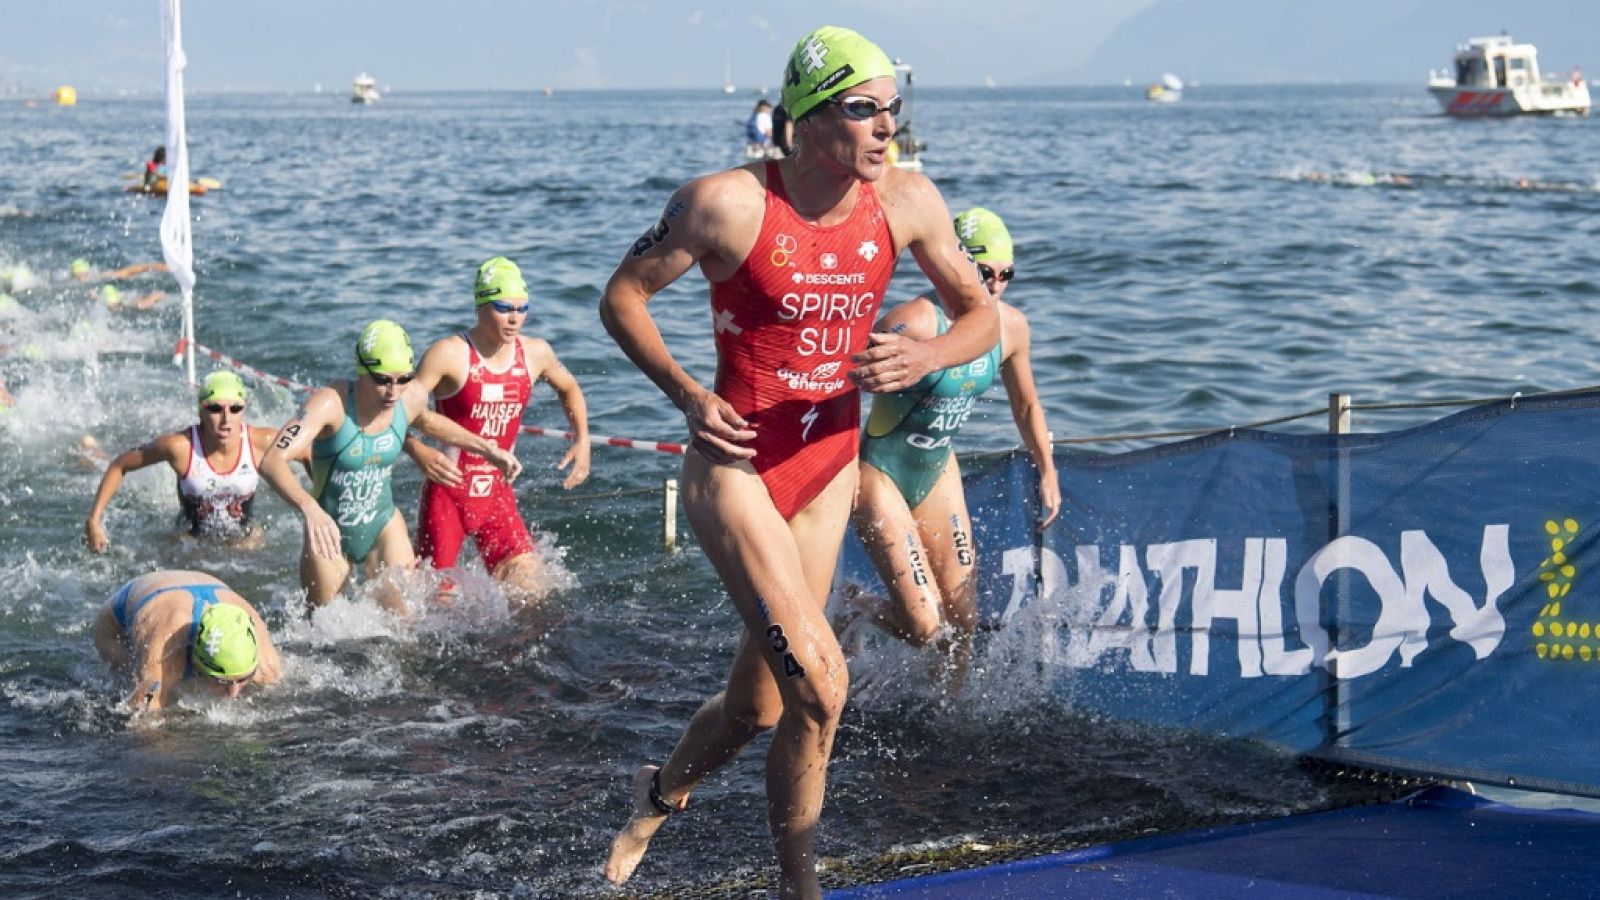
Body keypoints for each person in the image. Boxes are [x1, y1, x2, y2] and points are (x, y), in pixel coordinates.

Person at [599, 26, 998, 898]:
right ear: (807, 121)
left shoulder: (909, 202)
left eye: (894, 106)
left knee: (760, 709)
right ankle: (799, 887)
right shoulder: (725, 204)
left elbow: (982, 317)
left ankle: (655, 798)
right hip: (736, 467)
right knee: (824, 686)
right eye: (864, 109)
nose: (886, 126)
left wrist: (925, 359)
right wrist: (686, 396)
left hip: (827, 474)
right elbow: (622, 298)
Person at [842, 207, 1061, 684]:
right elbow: (844, 374)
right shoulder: (917, 320)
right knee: (924, 628)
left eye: (1008, 273)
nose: (998, 284)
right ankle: (854, 605)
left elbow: (1026, 406)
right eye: (986, 272)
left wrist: (1047, 470)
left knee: (962, 625)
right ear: (958, 263)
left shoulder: (1011, 328)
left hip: (937, 468)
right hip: (880, 472)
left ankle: (947, 720)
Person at [259, 319, 523, 610]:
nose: (392, 392)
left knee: (406, 626)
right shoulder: (331, 404)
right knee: (326, 632)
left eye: (403, 379)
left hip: (382, 525)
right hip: (329, 531)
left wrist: (488, 449)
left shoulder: (407, 398)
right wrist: (309, 509)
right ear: (361, 370)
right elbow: (272, 460)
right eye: (383, 380)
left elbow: (429, 421)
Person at [404, 256, 591, 602]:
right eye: (504, 308)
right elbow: (403, 411)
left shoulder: (536, 354)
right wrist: (417, 450)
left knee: (533, 592)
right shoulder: (449, 354)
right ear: (481, 305)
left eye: (522, 308)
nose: (515, 318)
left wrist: (582, 440)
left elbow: (569, 388)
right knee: (433, 605)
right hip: (448, 492)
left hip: (496, 495)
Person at [85, 371, 279, 552]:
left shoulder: (262, 441)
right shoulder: (180, 446)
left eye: (235, 408)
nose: (226, 418)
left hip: (245, 543)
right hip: (189, 544)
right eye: (215, 408)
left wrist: (310, 504)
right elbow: (121, 464)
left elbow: (306, 451)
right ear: (201, 411)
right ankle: (89, 451)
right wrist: (94, 520)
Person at [92, 569, 282, 712]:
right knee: (142, 690)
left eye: (243, 679)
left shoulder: (265, 661)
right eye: (221, 681)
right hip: (119, 620)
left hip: (204, 587)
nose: (233, 693)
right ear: (197, 663)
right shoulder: (166, 647)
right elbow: (142, 717)